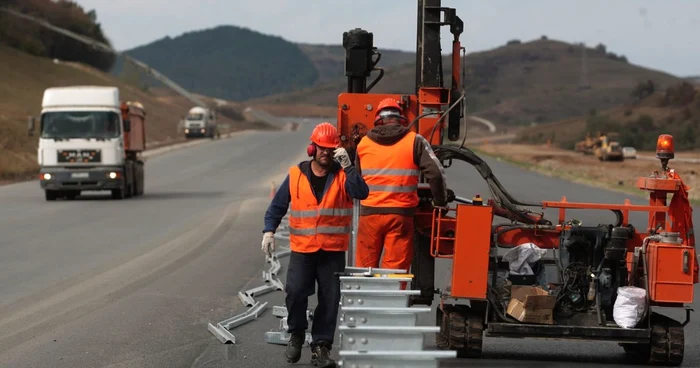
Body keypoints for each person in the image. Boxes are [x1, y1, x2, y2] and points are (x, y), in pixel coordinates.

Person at [261, 122, 369, 367]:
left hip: (332, 251)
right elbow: (277, 206)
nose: (326, 153)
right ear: (313, 148)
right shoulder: (296, 175)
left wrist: (349, 167)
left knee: (330, 300)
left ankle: (321, 346)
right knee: (296, 292)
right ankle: (297, 333)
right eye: (322, 148)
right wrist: (269, 231)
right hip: (303, 249)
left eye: (331, 149)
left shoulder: (342, 175)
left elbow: (362, 193)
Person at [354, 98, 448, 280]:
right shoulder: (414, 141)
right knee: (394, 273)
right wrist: (441, 202)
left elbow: (355, 182)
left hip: (369, 217)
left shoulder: (363, 144)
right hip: (401, 216)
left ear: (378, 120)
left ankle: (364, 302)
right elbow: (436, 174)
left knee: (365, 270)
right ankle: (391, 306)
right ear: (401, 119)